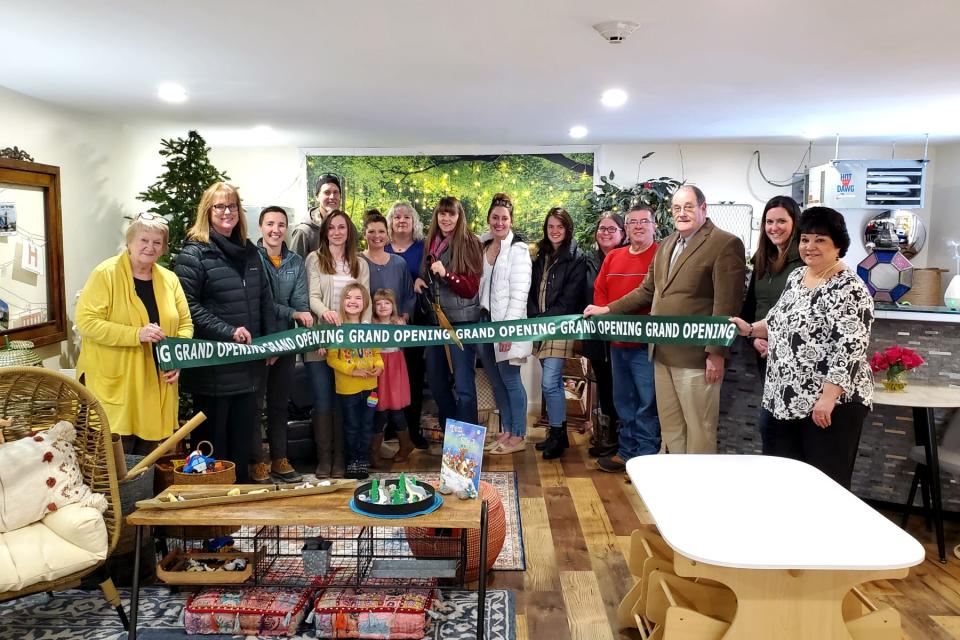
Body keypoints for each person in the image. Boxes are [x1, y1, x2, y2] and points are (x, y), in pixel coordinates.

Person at [585, 185, 745, 455]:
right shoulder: (669, 244)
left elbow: (726, 305)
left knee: (699, 429)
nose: (682, 213)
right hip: (661, 354)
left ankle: (696, 491)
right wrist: (607, 310)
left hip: (696, 358)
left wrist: (716, 354)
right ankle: (676, 485)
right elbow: (647, 290)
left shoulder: (725, 244)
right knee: (672, 429)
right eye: (677, 208)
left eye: (688, 207)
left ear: (703, 209)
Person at [730, 207, 873, 488]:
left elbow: (850, 348)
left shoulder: (850, 288)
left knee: (823, 485)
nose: (810, 246)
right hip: (784, 400)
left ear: (838, 244)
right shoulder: (797, 277)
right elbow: (778, 321)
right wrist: (748, 328)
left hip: (828, 406)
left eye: (820, 239)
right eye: (805, 239)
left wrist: (828, 399)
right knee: (784, 481)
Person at [173, 182, 275, 483]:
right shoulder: (195, 254)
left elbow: (264, 300)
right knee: (213, 446)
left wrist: (269, 345)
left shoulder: (250, 252)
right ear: (208, 211)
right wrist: (228, 331)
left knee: (242, 443)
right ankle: (210, 509)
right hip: (213, 371)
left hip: (247, 368)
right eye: (220, 206)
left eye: (232, 206)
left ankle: (239, 505)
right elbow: (187, 306)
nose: (227, 211)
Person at [76, 212, 193, 455]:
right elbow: (87, 322)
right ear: (129, 241)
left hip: (156, 383)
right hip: (117, 384)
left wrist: (177, 359)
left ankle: (143, 494)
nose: (150, 247)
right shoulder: (105, 274)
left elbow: (185, 324)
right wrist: (135, 334)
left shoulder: (170, 280)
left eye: (157, 242)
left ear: (163, 248)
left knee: (147, 462)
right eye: (144, 240)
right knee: (115, 463)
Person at [590, 205, 661, 472]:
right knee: (624, 402)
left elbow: (654, 296)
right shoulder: (614, 258)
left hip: (646, 346)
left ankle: (645, 460)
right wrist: (608, 323)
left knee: (647, 404)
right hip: (617, 345)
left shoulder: (660, 256)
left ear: (654, 225)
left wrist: (613, 312)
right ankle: (626, 452)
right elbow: (600, 293)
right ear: (626, 228)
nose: (639, 226)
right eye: (633, 222)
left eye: (644, 221)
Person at [249, 206, 315, 483]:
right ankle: (256, 462)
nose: (276, 229)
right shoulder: (250, 258)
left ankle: (279, 458)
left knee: (279, 405)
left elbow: (300, 304)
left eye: (281, 224)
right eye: (270, 224)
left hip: (286, 343)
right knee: (253, 406)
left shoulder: (296, 262)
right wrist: (290, 315)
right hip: (258, 343)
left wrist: (297, 322)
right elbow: (257, 303)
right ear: (261, 227)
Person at [305, 210, 370, 478]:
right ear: (325, 231)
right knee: (323, 400)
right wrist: (324, 315)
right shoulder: (314, 260)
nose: (336, 232)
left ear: (349, 231)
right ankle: (324, 458)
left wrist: (361, 341)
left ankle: (342, 458)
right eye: (331, 228)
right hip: (321, 339)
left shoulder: (360, 263)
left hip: (349, 344)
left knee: (347, 400)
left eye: (341, 227)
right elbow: (313, 296)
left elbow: (364, 304)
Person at [740, 195, 803, 454]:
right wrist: (754, 337)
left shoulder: (803, 260)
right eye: (769, 221)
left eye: (781, 221)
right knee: (771, 428)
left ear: (795, 223)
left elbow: (801, 314)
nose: (774, 227)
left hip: (794, 357)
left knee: (782, 429)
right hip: (765, 353)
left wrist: (773, 338)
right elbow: (751, 307)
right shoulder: (762, 259)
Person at [415, 196, 483, 434]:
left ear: (459, 216)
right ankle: (453, 436)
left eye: (451, 214)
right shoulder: (431, 243)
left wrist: (447, 274)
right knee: (436, 383)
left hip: (463, 324)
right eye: (442, 214)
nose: (445, 219)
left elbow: (471, 287)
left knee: (464, 387)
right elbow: (428, 275)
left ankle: (465, 447)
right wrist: (420, 280)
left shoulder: (470, 242)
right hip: (436, 323)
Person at [529, 207, 587, 460]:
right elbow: (532, 289)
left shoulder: (576, 257)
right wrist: (533, 316)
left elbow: (570, 297)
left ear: (567, 229)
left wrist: (546, 319)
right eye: (551, 226)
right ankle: (556, 434)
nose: (555, 231)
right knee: (549, 382)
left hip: (559, 325)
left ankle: (558, 434)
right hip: (539, 325)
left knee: (550, 381)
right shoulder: (539, 254)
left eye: (560, 227)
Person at [477, 193, 532, 455]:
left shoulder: (518, 249)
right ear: (489, 219)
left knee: (511, 380)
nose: (499, 222)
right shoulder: (484, 246)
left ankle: (519, 435)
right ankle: (506, 431)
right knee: (497, 381)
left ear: (511, 221)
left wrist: (507, 329)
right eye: (495, 217)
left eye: (504, 218)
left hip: (506, 324)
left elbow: (520, 293)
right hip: (485, 322)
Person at [580, 211, 626, 458]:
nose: (606, 233)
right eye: (602, 228)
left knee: (623, 388)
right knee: (605, 387)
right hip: (597, 337)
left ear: (622, 233)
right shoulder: (588, 261)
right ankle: (607, 436)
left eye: (612, 229)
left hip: (624, 337)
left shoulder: (627, 258)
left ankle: (622, 439)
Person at [326, 282, 383, 480]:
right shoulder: (337, 329)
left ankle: (363, 460)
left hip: (370, 388)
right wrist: (353, 370)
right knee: (351, 427)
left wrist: (379, 366)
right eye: (349, 297)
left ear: (365, 303)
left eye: (358, 298)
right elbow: (332, 358)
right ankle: (352, 462)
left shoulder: (369, 329)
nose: (353, 301)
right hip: (347, 390)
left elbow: (376, 353)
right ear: (342, 302)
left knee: (367, 426)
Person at [385, 201, 429, 449]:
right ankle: (389, 427)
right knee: (386, 375)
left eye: (406, 217)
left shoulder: (423, 249)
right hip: (384, 325)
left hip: (414, 321)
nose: (401, 221)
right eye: (396, 217)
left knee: (412, 374)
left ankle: (413, 429)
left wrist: (423, 279)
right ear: (390, 223)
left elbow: (432, 278)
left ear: (414, 223)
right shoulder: (382, 247)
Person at [371, 288, 414, 465]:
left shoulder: (398, 323)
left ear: (393, 305)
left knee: (396, 411)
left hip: (395, 368)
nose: (382, 306)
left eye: (387, 303)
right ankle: (374, 452)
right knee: (378, 410)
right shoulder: (369, 324)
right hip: (377, 368)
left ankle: (405, 446)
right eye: (378, 303)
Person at [362, 212, 414, 321]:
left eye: (381, 231)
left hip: (395, 329)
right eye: (371, 231)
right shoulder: (357, 261)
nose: (377, 236)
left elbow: (409, 296)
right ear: (364, 234)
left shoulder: (399, 263)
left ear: (387, 234)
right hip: (365, 328)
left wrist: (404, 318)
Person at [290, 173, 342, 258]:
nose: (332, 196)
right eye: (327, 192)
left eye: (336, 192)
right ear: (317, 197)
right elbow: (292, 268)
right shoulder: (303, 232)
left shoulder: (348, 229)